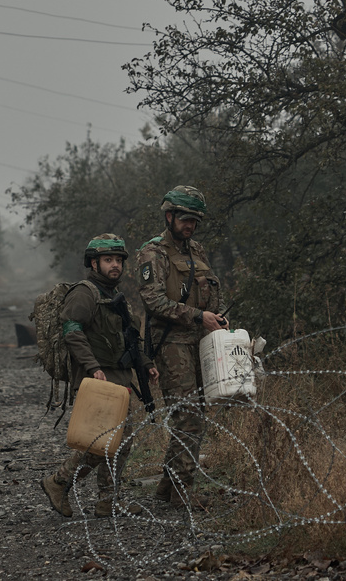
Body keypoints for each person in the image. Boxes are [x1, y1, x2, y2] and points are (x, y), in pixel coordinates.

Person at [40, 233, 159, 518]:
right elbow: (72, 331)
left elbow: (128, 338)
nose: (115, 265)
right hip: (98, 379)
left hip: (118, 377)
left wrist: (145, 363)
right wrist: (93, 367)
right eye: (108, 260)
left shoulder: (114, 296)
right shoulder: (85, 293)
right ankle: (60, 481)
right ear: (94, 264)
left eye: (118, 260)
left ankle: (107, 500)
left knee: (118, 442)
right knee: (101, 441)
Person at [137, 186, 227, 510]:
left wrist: (217, 315)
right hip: (171, 342)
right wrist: (197, 316)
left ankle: (166, 487)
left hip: (200, 341)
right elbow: (154, 301)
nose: (190, 225)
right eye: (185, 219)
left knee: (195, 413)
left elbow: (211, 289)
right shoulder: (152, 253)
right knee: (188, 417)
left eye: (194, 220)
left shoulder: (196, 250)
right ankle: (181, 491)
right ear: (169, 216)